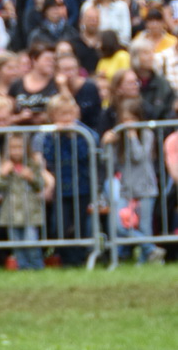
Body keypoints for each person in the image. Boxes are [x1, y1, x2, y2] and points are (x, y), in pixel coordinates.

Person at [36, 93, 97, 267]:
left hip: (82, 187)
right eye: (61, 114)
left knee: (79, 225)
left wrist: (72, 137)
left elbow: (88, 151)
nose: (66, 118)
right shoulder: (49, 134)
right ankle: (65, 257)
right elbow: (47, 156)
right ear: (52, 116)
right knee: (59, 225)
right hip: (60, 188)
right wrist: (57, 137)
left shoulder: (83, 132)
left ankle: (77, 260)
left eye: (69, 113)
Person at [102, 96, 163, 263]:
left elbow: (139, 157)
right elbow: (110, 162)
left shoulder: (146, 134)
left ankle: (144, 263)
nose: (128, 123)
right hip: (126, 189)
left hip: (145, 188)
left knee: (144, 227)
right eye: (125, 119)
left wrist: (133, 137)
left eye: (132, 119)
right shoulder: (119, 137)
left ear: (139, 119)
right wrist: (107, 144)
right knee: (118, 226)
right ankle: (152, 249)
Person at [0, 132, 52, 270]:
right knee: (16, 242)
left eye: (19, 147)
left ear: (26, 148)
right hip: (11, 211)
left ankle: (36, 266)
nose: (16, 151)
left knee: (30, 240)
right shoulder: (3, 165)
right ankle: (22, 267)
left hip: (30, 211)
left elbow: (40, 184)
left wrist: (32, 178)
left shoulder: (33, 164)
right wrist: (3, 175)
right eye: (13, 148)